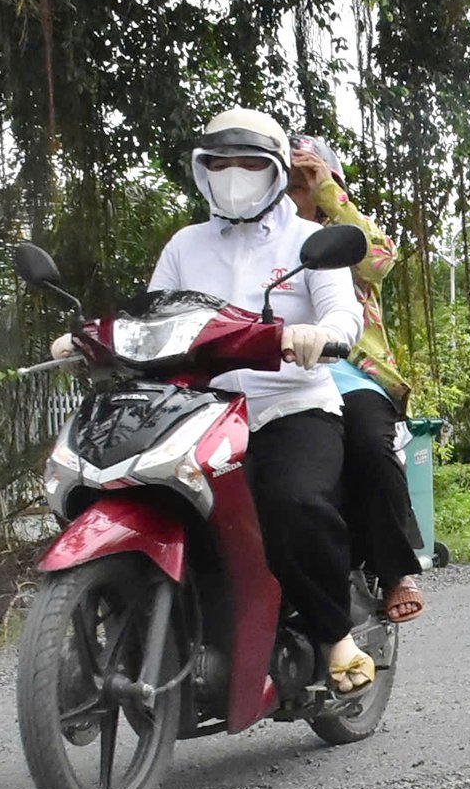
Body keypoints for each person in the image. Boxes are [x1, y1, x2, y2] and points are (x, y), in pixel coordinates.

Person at [140, 108, 370, 693]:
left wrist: (322, 334)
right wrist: (95, 336)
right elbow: (154, 315)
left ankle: (333, 633)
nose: (233, 174)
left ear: (274, 170)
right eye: (220, 163)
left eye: (249, 163)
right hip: (200, 412)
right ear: (202, 170)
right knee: (149, 494)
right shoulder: (185, 245)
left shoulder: (308, 241)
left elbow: (343, 311)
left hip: (290, 406)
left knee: (292, 502)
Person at [289, 134, 425, 624]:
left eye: (304, 179)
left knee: (370, 444)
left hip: (352, 371)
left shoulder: (350, 233)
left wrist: (326, 191)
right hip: (273, 375)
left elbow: (381, 261)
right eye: (283, 180)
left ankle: (395, 571)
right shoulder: (259, 239)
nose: (293, 190)